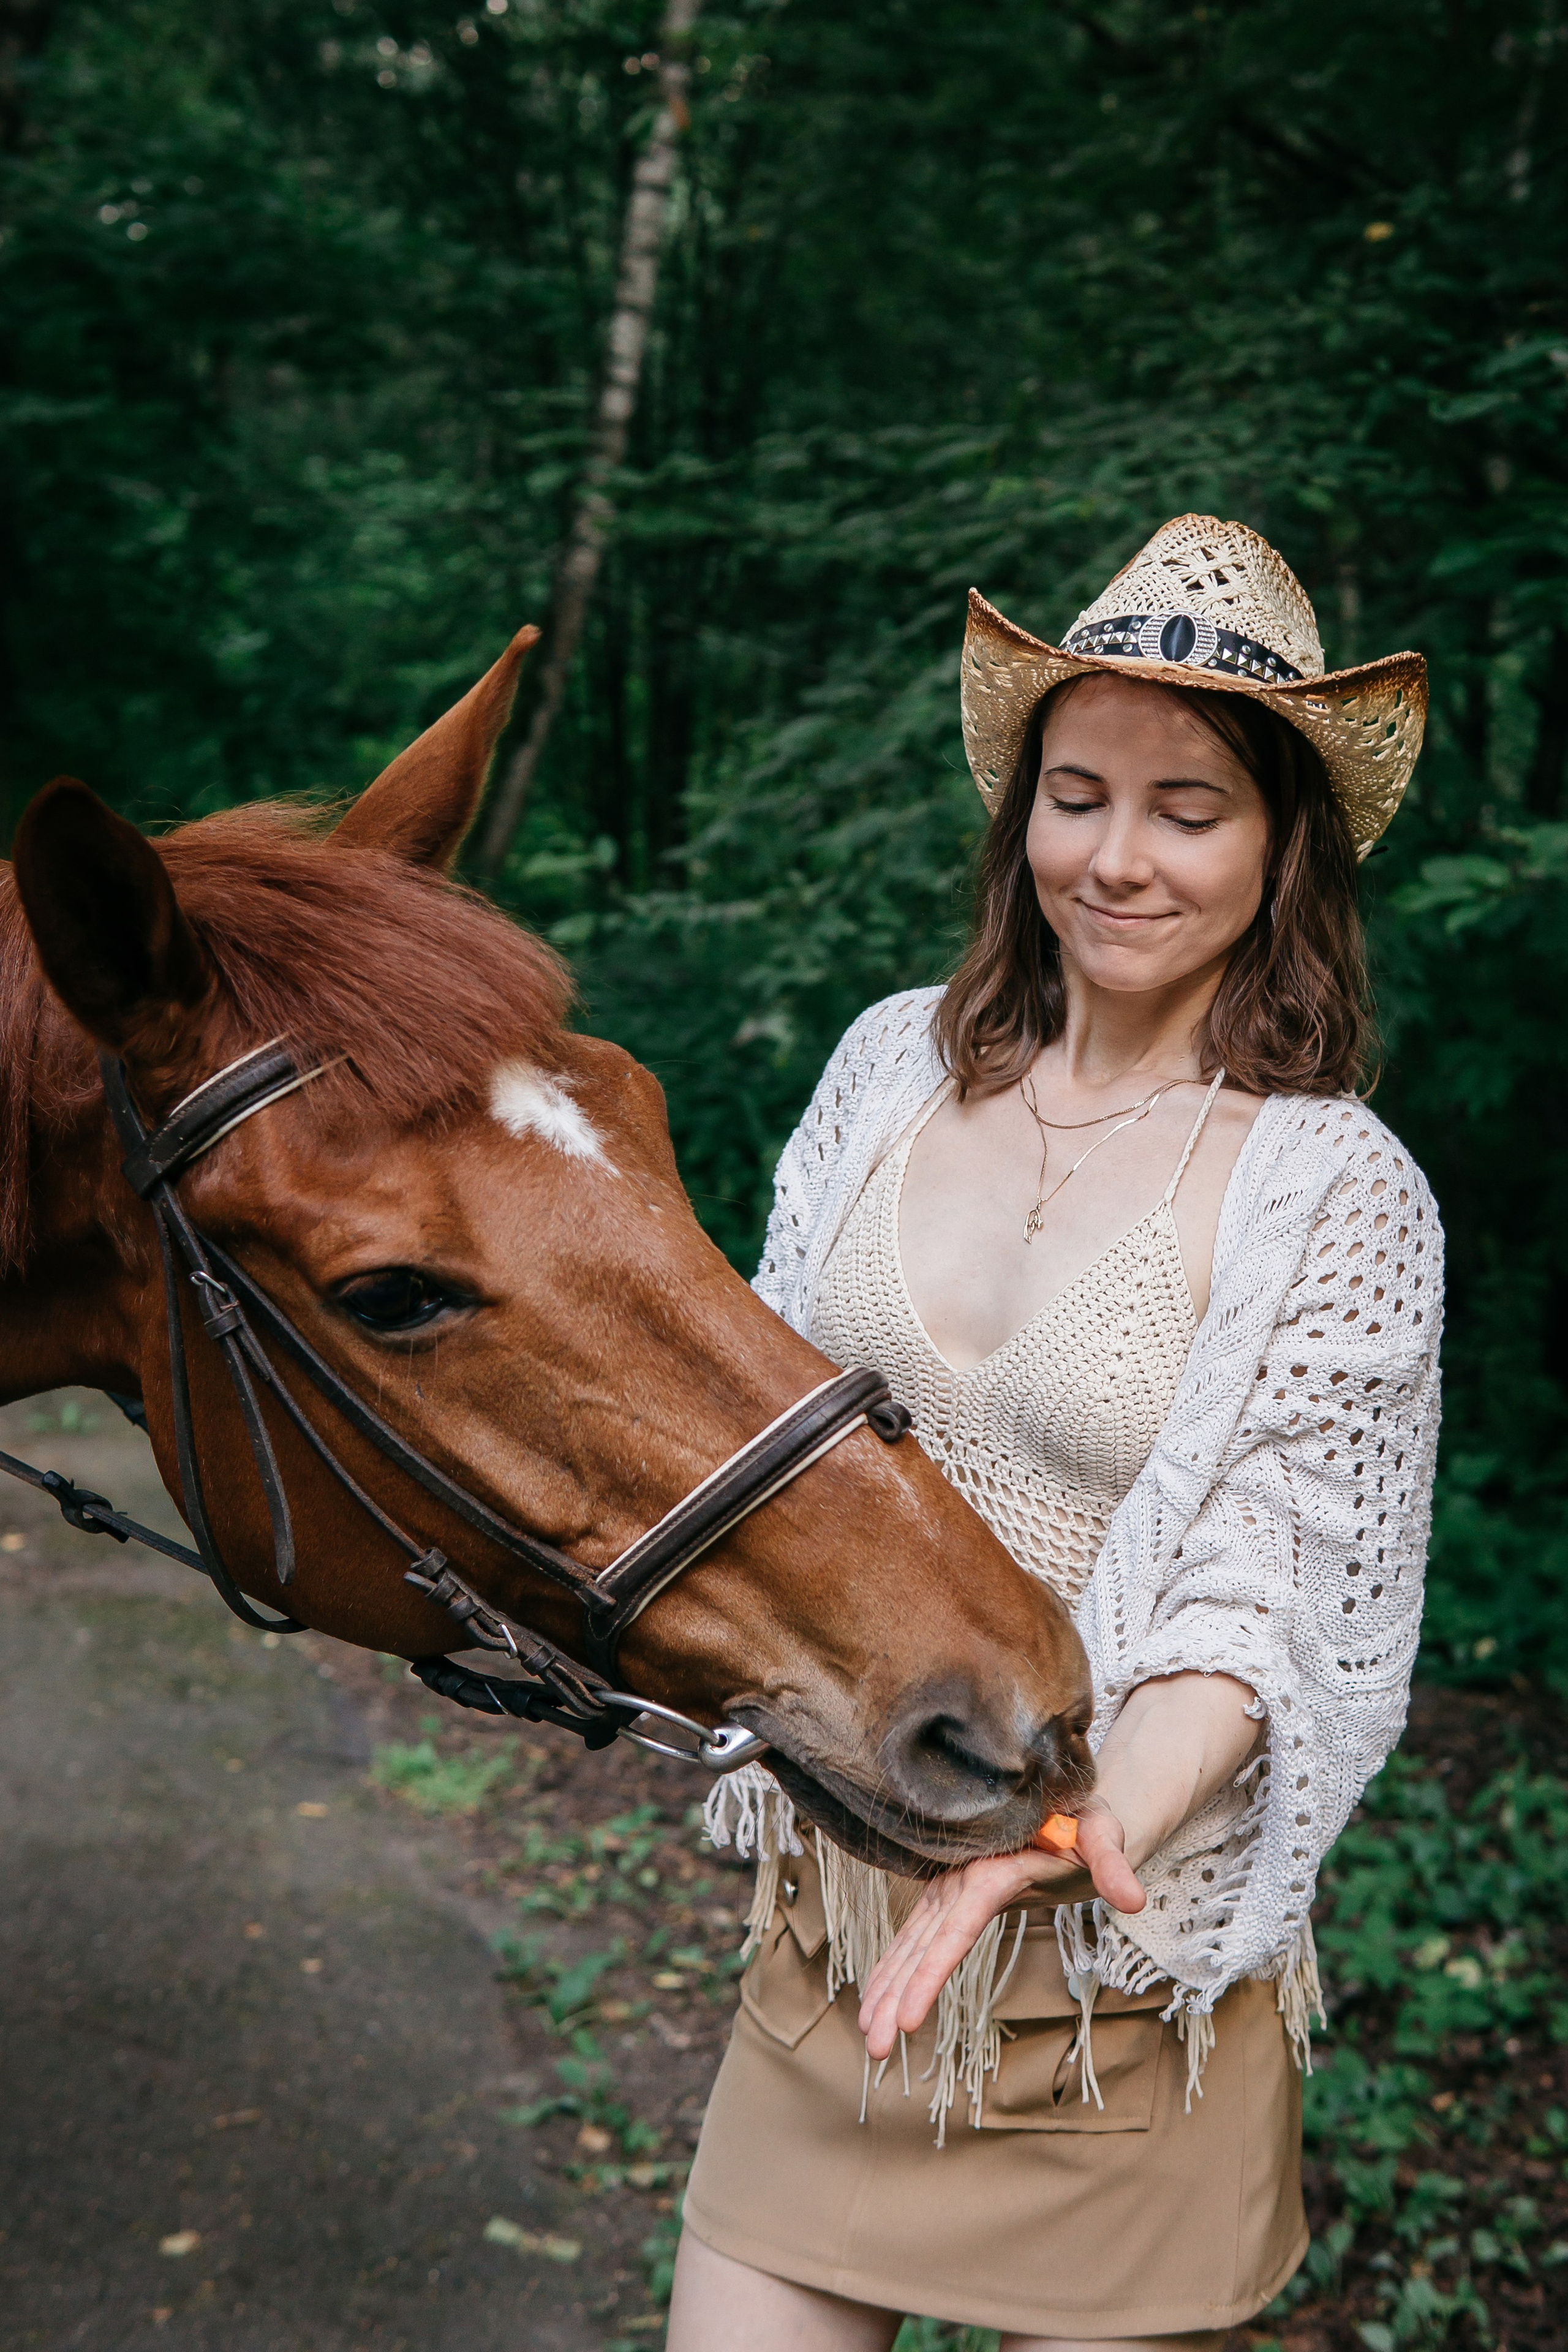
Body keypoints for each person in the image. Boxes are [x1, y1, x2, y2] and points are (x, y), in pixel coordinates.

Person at [668, 515, 1443, 2352]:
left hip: (1118, 1992)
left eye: (1188, 809)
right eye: (1076, 794)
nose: (1116, 857)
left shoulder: (1335, 1192)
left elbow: (1261, 1614)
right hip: (835, 1963)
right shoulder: (881, 1073)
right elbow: (763, 1464)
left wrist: (1062, 1831)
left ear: (1282, 849)